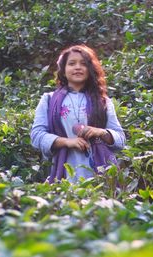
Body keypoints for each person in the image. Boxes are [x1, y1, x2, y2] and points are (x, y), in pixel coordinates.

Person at [31, 44, 126, 183]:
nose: (77, 67)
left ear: (90, 69)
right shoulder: (48, 99)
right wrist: (67, 142)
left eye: (83, 64)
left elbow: (120, 139)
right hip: (65, 172)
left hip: (101, 173)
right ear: (63, 70)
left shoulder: (103, 101)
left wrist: (100, 132)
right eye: (71, 63)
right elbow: (36, 136)